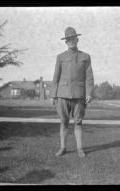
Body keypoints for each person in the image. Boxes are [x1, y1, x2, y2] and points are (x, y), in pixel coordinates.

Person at [51, 27, 94, 158]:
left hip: (79, 95)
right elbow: (56, 77)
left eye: (73, 38)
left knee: (78, 122)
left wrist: (89, 93)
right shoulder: (60, 57)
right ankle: (63, 148)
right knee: (63, 122)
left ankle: (80, 149)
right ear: (66, 42)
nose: (71, 41)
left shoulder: (85, 57)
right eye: (68, 39)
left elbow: (89, 77)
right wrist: (53, 95)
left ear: (77, 39)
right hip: (62, 95)